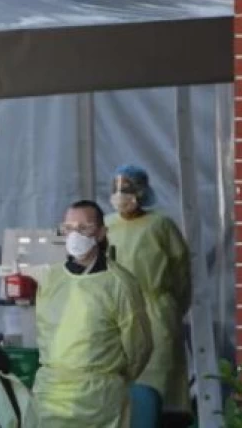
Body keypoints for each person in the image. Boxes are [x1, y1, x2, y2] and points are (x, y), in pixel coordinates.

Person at [33, 200, 152, 428]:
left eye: (84, 227)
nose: (74, 235)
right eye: (68, 228)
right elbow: (45, 334)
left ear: (101, 233)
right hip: (50, 395)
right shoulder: (51, 279)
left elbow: (139, 346)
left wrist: (110, 378)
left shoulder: (119, 283)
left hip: (99, 400)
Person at [105, 165, 193, 428]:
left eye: (128, 190)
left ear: (142, 193)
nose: (121, 195)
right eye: (117, 190)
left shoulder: (160, 225)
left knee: (160, 379)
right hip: (119, 312)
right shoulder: (107, 225)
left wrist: (172, 306)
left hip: (157, 312)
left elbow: (181, 271)